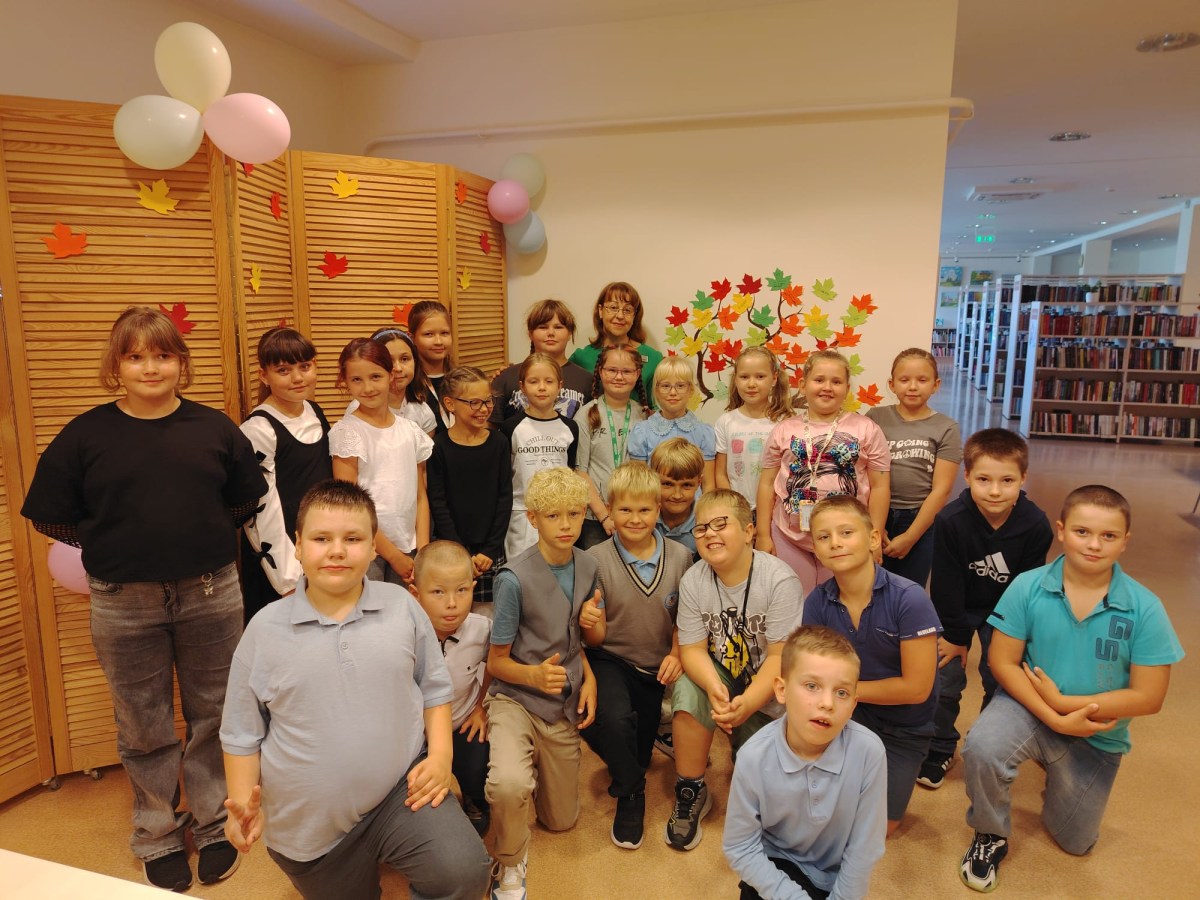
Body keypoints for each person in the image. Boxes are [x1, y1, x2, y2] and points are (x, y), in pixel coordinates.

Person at [21, 306, 267, 891]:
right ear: (117, 365)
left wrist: (190, 538)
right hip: (121, 600)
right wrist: (119, 545)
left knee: (214, 713)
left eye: (162, 355)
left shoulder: (214, 428)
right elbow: (52, 517)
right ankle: (156, 832)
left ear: (181, 362)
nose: (150, 367)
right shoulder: (86, 434)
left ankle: (214, 823)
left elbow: (242, 502)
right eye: (135, 357)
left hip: (210, 592)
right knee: (142, 722)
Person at [219, 481, 490, 900]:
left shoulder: (402, 607)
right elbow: (241, 733)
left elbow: (434, 688)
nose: (337, 551)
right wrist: (241, 804)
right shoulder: (264, 630)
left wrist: (440, 756)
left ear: (374, 547)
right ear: (298, 545)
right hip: (310, 830)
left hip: (401, 793)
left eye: (353, 539)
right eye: (321, 539)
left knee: (465, 872)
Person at [959, 485, 1184, 893]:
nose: (1094, 545)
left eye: (1108, 536)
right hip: (1029, 707)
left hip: (1096, 732)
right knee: (982, 746)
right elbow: (1001, 662)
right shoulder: (1028, 585)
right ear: (1062, 531)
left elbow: (1150, 697)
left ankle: (1055, 767)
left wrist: (1066, 704)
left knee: (1076, 842)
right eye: (1082, 532)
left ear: (1125, 541)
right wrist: (1053, 714)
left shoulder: (1145, 607)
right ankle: (990, 832)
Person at [485, 467, 604, 900]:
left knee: (561, 821)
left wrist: (589, 667)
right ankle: (509, 861)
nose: (566, 524)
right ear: (533, 518)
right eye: (553, 516)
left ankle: (535, 765)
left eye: (574, 513)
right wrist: (533, 675)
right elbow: (496, 662)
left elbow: (590, 639)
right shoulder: (512, 579)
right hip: (516, 697)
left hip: (561, 699)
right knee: (509, 785)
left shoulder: (589, 565)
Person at [666, 489, 804, 853]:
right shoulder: (694, 579)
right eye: (701, 528)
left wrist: (746, 704)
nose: (709, 533)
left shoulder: (779, 580)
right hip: (724, 673)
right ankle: (691, 788)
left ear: (748, 531)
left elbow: (780, 658)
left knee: (765, 792)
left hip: (769, 684)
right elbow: (692, 649)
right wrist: (714, 687)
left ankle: (749, 743)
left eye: (720, 524)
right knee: (688, 688)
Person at [919, 427, 1053, 790]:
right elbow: (946, 584)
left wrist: (1009, 637)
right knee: (945, 680)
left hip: (1008, 614)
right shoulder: (950, 521)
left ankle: (988, 748)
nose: (995, 491)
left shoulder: (1035, 524)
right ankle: (940, 747)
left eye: (1007, 480)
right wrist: (956, 637)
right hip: (957, 609)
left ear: (1023, 478)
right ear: (966, 476)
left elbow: (1026, 589)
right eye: (983, 479)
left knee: (1000, 679)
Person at [801, 496, 940, 837]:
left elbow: (916, 689)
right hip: (846, 717)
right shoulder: (817, 602)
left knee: (879, 827)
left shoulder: (909, 599)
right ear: (815, 549)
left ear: (874, 539)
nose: (835, 542)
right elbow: (813, 673)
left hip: (904, 728)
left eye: (846, 532)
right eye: (824, 537)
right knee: (811, 808)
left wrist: (844, 691)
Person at [723, 625, 887, 900]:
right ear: (781, 690)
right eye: (812, 686)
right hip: (774, 865)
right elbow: (740, 847)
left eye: (842, 693)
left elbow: (864, 847)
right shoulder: (753, 757)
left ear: (854, 704)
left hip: (834, 879)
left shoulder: (870, 753)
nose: (827, 703)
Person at [583, 462, 691, 850]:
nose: (634, 518)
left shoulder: (681, 557)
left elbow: (685, 618)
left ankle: (633, 762)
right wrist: (590, 620)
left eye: (644, 509)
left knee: (637, 753)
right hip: (610, 659)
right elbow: (595, 640)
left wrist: (677, 652)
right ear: (610, 509)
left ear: (658, 509)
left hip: (655, 668)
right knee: (613, 722)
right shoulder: (593, 559)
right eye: (625, 509)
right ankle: (631, 793)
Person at [756, 350, 891, 594]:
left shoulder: (867, 429)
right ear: (803, 385)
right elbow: (766, 484)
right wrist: (764, 535)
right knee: (794, 599)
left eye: (836, 382)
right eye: (819, 380)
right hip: (789, 537)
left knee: (842, 599)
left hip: (846, 538)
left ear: (847, 389)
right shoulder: (783, 430)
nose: (827, 387)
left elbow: (880, 487)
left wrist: (875, 536)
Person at [240, 325, 332, 623]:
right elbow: (260, 511)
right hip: (282, 558)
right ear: (264, 375)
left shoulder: (315, 411)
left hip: (320, 542)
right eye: (283, 370)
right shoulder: (258, 429)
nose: (297, 377)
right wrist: (288, 580)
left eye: (304, 366)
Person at [328, 337, 433, 584]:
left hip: (409, 546)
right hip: (366, 547)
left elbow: (420, 496)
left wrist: (423, 550)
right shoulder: (347, 432)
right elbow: (351, 505)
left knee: (404, 607)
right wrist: (393, 556)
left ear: (390, 375)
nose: (367, 388)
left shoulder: (410, 430)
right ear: (345, 382)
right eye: (357, 379)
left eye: (375, 376)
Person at [411, 540, 493, 836]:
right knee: (414, 797)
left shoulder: (482, 629)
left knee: (480, 764)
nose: (452, 603)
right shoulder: (403, 635)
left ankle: (475, 798)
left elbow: (496, 665)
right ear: (415, 594)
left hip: (461, 722)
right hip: (415, 734)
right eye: (438, 592)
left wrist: (481, 707)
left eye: (462, 590)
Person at [865, 348, 961, 587]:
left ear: (936, 385)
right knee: (870, 585)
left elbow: (941, 490)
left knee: (908, 589)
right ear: (892, 384)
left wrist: (910, 536)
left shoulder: (946, 428)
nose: (913, 387)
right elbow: (863, 473)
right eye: (904, 379)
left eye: (922, 380)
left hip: (920, 519)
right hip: (876, 514)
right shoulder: (875, 418)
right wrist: (876, 526)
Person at [426, 366, 512, 603]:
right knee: (451, 607)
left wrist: (490, 550)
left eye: (488, 401)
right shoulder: (438, 447)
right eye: (474, 402)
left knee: (490, 613)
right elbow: (438, 503)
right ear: (450, 404)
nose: (484, 409)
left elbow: (504, 498)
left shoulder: (499, 443)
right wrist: (460, 550)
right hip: (452, 547)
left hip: (490, 550)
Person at [499, 353, 580, 561]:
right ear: (522, 386)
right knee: (523, 569)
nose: (542, 387)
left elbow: (571, 471)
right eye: (534, 381)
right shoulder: (510, 427)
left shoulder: (570, 428)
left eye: (549, 381)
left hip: (559, 515)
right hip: (522, 515)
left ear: (560, 385)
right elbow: (505, 476)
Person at [574, 343, 648, 548]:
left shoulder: (643, 415)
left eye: (626, 371)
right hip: (595, 518)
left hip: (633, 514)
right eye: (612, 370)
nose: (619, 377)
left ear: (637, 374)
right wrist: (604, 516)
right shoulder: (586, 415)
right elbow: (580, 472)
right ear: (600, 372)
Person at [715, 345, 793, 522]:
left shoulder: (785, 423)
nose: (751, 384)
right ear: (735, 379)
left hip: (776, 509)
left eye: (760, 376)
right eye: (744, 377)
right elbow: (721, 473)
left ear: (774, 378)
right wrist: (733, 507)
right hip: (737, 510)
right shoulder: (725, 422)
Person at [491, 299, 595, 425]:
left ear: (569, 333)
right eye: (543, 327)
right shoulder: (506, 378)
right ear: (530, 334)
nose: (551, 333)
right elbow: (491, 428)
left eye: (558, 327)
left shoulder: (587, 381)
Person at [627, 356, 716, 491]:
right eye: (665, 386)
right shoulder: (642, 432)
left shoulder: (704, 433)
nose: (673, 392)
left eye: (680, 386)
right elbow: (640, 485)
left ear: (691, 390)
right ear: (656, 390)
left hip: (695, 504)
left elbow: (708, 485)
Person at [568, 281, 663, 402]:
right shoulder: (581, 358)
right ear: (600, 311)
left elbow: (658, 408)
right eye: (613, 308)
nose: (620, 316)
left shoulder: (654, 358)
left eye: (627, 310)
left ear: (634, 316)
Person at [343, 326, 436, 435]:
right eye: (389, 361)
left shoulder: (423, 411)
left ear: (415, 361)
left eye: (404, 359)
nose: (398, 368)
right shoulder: (358, 409)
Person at [651, 437, 705, 558]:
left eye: (686, 485)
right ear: (653, 480)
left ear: (699, 482)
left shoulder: (706, 520)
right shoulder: (642, 515)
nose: (677, 495)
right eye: (668, 484)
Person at [408, 300, 455, 434]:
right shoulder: (407, 385)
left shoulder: (460, 379)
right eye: (428, 334)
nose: (438, 341)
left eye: (444, 333)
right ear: (412, 337)